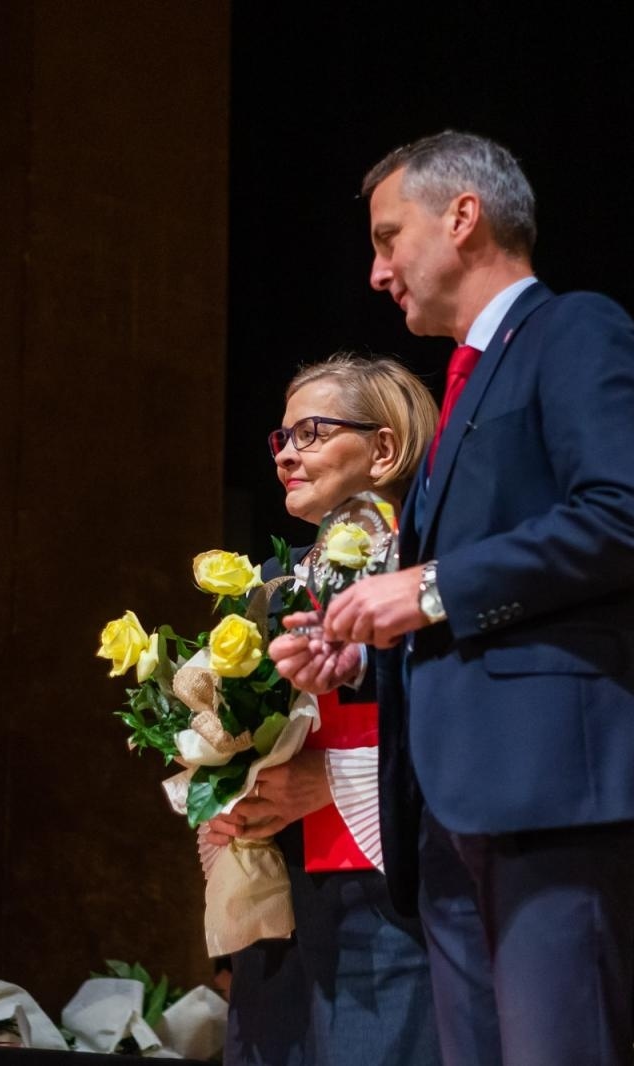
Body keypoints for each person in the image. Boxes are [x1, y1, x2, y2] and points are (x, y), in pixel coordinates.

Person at [268, 131, 634, 1066]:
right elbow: (450, 600)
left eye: (389, 239)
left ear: (463, 218)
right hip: (451, 811)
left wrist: (426, 588)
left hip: (548, 791)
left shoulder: (575, 330)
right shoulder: (461, 384)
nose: (379, 273)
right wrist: (361, 643)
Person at [208, 354, 442, 1066]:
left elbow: (473, 738)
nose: (287, 456)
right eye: (281, 439)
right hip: (281, 907)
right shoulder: (271, 585)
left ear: (384, 448)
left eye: (310, 432)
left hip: (389, 906)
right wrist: (224, 791)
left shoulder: (427, 575)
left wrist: (334, 781)